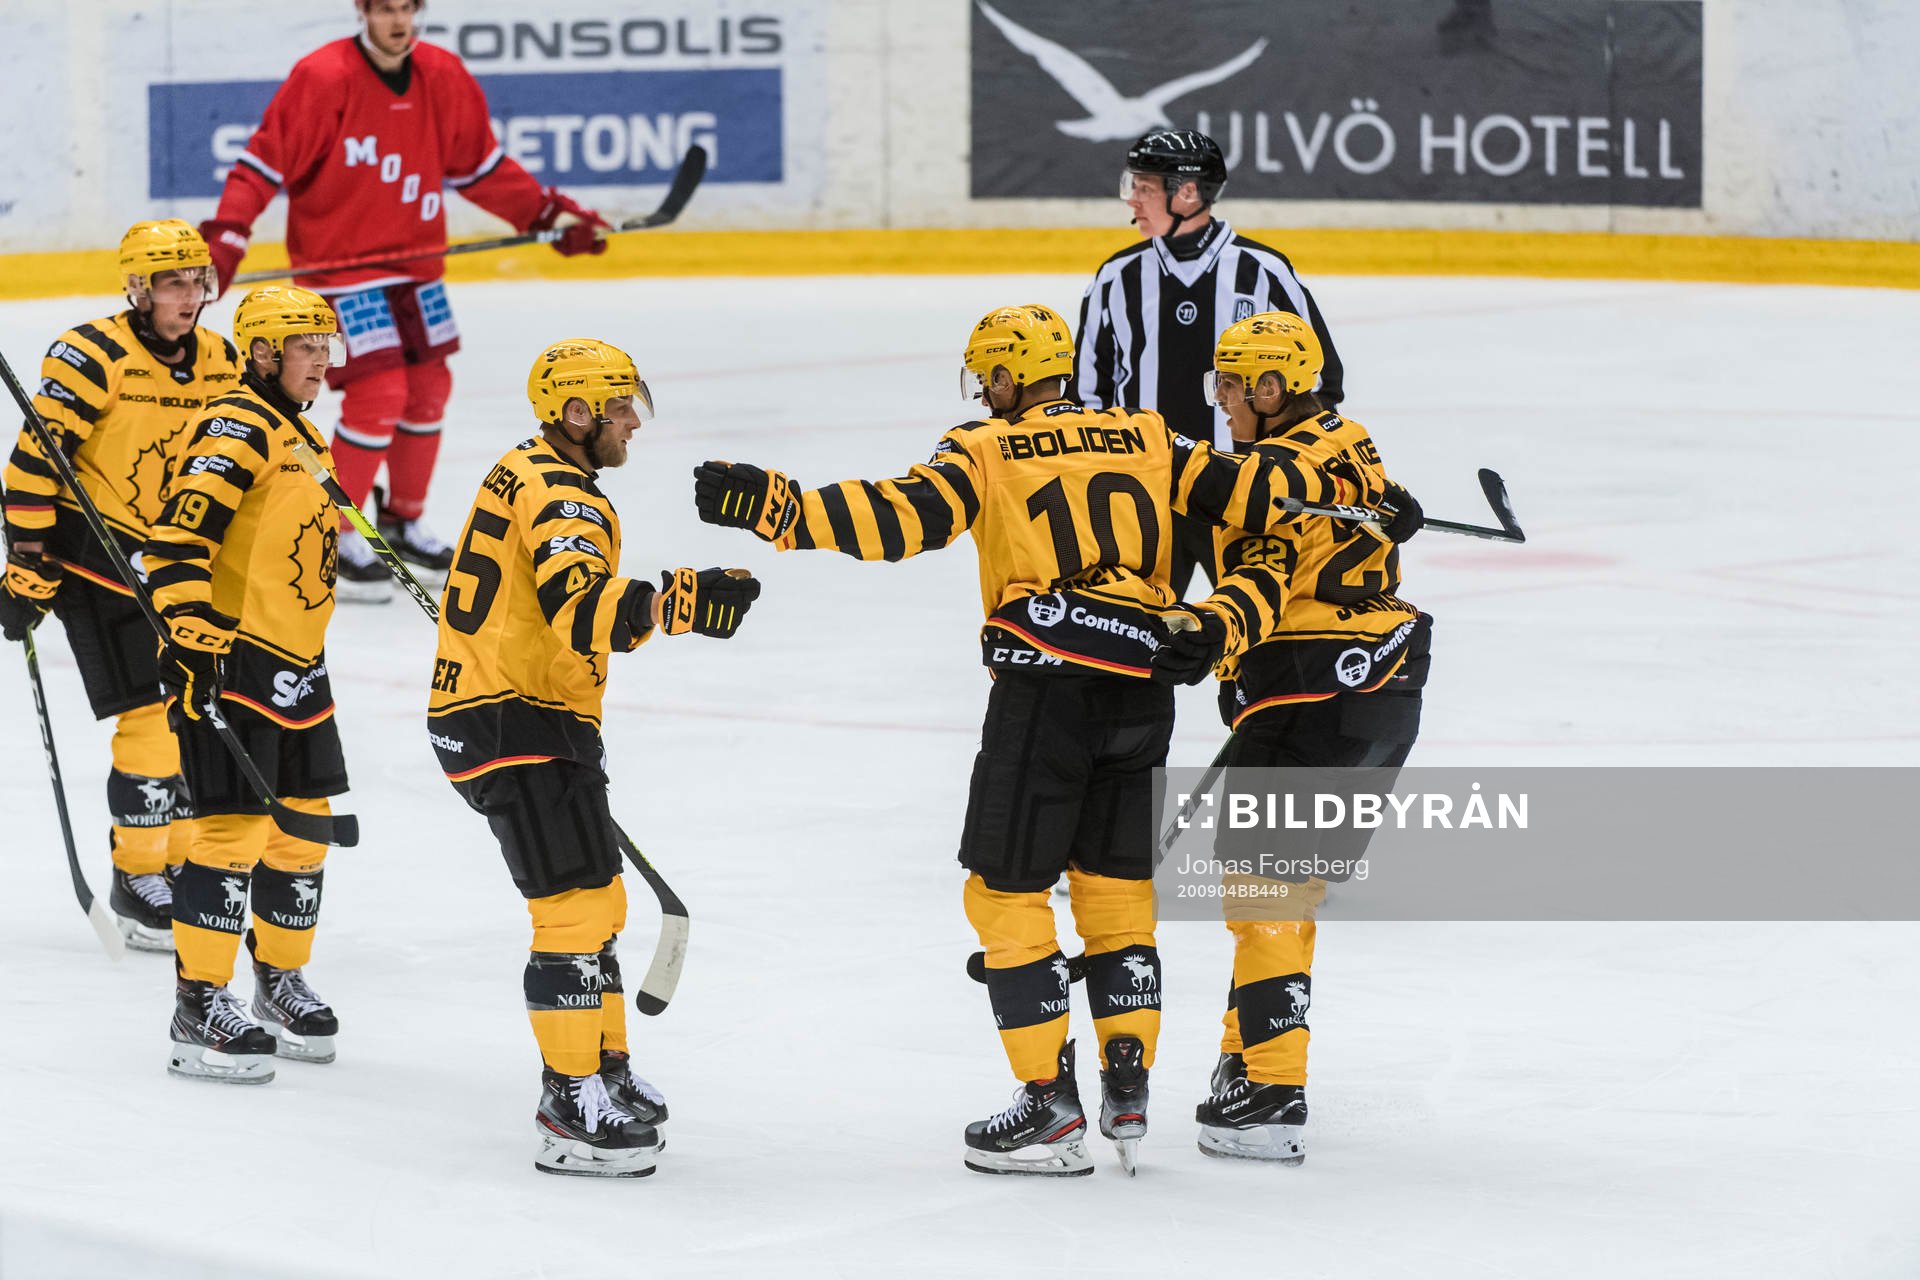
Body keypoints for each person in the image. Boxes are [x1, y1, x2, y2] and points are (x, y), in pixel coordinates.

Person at [692, 304, 1375, 1177]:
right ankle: (1127, 1084)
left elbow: (899, 519)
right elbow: (1268, 498)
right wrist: (1366, 500)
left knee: (1006, 895)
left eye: (990, 378)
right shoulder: (1148, 433)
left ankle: (1050, 1107)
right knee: (1118, 892)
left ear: (1009, 379)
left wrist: (778, 507)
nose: (986, 391)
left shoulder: (983, 447)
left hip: (1044, 692)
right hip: (1143, 691)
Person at [428, 338, 761, 1178]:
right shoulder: (564, 496)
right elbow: (581, 609)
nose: (630, 428)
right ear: (575, 413)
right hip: (514, 721)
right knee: (573, 914)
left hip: (523, 711)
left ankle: (603, 1067)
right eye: (619, 411)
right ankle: (568, 1102)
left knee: (600, 902)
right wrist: (670, 603)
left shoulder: (528, 468)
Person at [200, 0, 613, 602]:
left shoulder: (442, 75)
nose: (397, 22)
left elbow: (482, 168)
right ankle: (331, 533)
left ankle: (402, 522)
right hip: (342, 272)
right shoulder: (323, 77)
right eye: (385, 9)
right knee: (378, 393)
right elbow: (262, 164)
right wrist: (230, 232)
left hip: (416, 267)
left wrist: (548, 213)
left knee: (427, 391)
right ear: (363, 11)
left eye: (406, 8)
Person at [1149, 311, 1430, 1165]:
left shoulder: (1265, 474)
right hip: (1388, 688)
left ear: (1274, 389)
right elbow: (1371, 507)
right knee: (1284, 896)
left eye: (1233, 385)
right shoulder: (1349, 438)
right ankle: (1247, 1061)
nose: (1223, 399)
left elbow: (1257, 571)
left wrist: (1208, 641)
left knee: (1265, 897)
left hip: (1310, 691)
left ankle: (1272, 1090)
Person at [0, 220, 242, 951]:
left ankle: (176, 859)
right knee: (147, 721)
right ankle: (138, 878)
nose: (190, 296)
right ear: (137, 289)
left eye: (197, 281)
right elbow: (33, 464)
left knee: (195, 710)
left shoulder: (221, 360)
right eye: (173, 283)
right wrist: (27, 558)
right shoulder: (92, 353)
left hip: (176, 561)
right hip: (92, 557)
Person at [143, 286, 355, 1084]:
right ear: (263, 353)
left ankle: (279, 981)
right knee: (229, 838)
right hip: (232, 662)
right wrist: (194, 641)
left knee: (303, 834)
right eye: (308, 347)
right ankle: (199, 1002)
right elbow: (173, 545)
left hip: (299, 665)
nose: (322, 360)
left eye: (325, 345)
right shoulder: (234, 427)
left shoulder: (297, 429)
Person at [1075, 129, 1347, 598]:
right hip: (1145, 497)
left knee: (1257, 645)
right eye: (1131, 186)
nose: (1132, 200)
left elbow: (1319, 385)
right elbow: (1087, 398)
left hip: (1245, 495)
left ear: (1185, 193)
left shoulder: (1263, 272)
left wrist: (1297, 473)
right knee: (1136, 650)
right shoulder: (1116, 278)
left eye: (1144, 188)